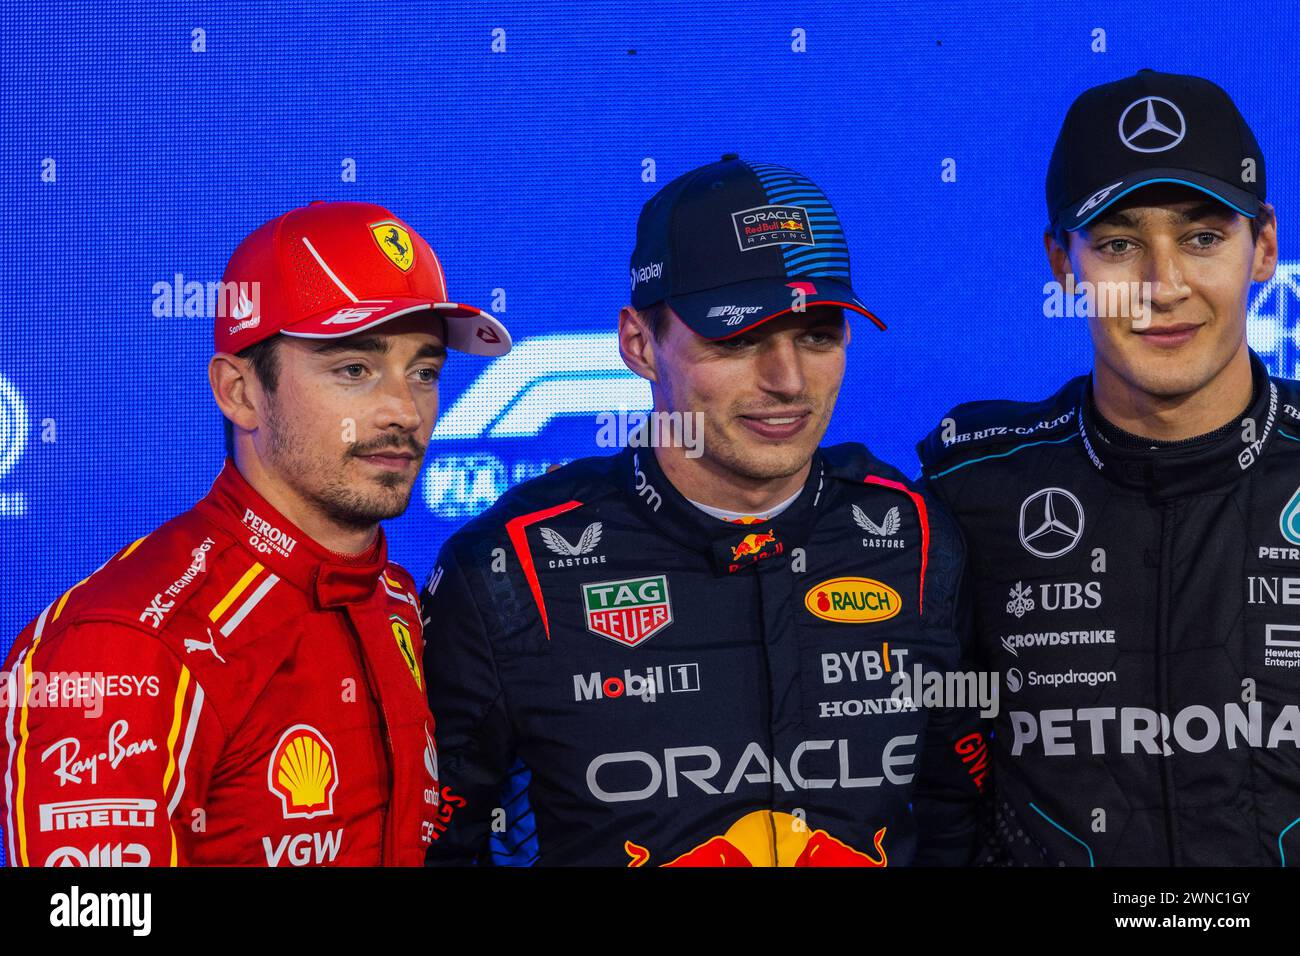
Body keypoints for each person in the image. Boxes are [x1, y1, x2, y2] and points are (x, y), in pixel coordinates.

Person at [422, 156, 984, 866]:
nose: (787, 381)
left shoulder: (915, 536)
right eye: (738, 338)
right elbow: (438, 847)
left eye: (817, 334)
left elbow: (958, 817)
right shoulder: (511, 568)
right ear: (639, 344)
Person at [0, 200, 511, 867]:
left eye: (424, 371)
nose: (404, 410)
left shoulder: (394, 599)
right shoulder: (125, 643)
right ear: (240, 392)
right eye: (353, 369)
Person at [917, 70, 1295, 865]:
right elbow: (932, 788)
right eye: (1120, 244)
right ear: (1062, 261)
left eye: (1202, 238)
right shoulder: (972, 488)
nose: (1163, 288)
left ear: (1262, 247)